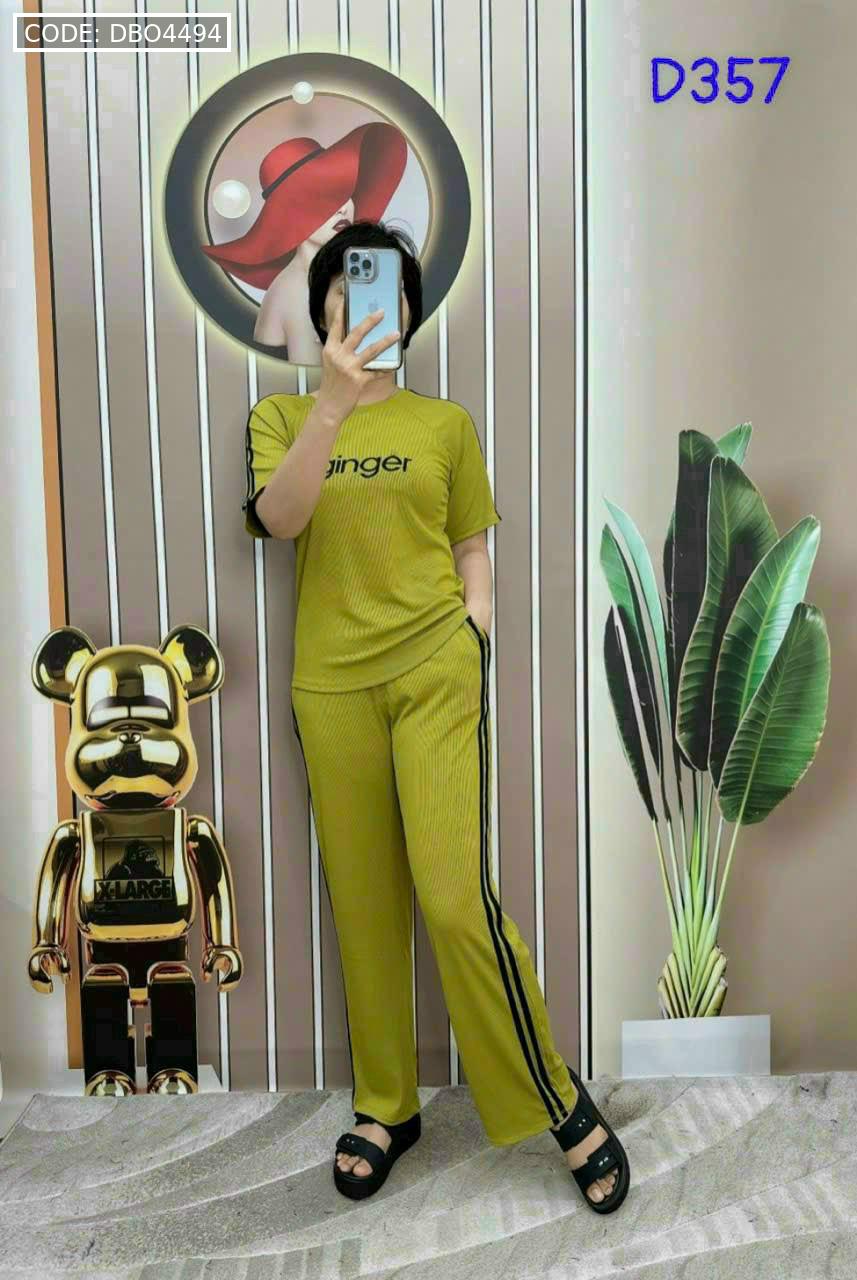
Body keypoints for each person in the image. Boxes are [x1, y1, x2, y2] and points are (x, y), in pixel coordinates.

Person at [242, 219, 629, 1212]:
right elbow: (279, 518)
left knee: (455, 901)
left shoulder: (444, 424)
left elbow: (469, 542)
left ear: (406, 310)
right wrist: (331, 404)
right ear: (323, 310)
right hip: (331, 686)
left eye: (388, 289)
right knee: (364, 905)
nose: (372, 304)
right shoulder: (280, 418)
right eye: (349, 288)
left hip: (431, 669)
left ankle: (556, 1098)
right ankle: (386, 1106)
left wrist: (474, 625)